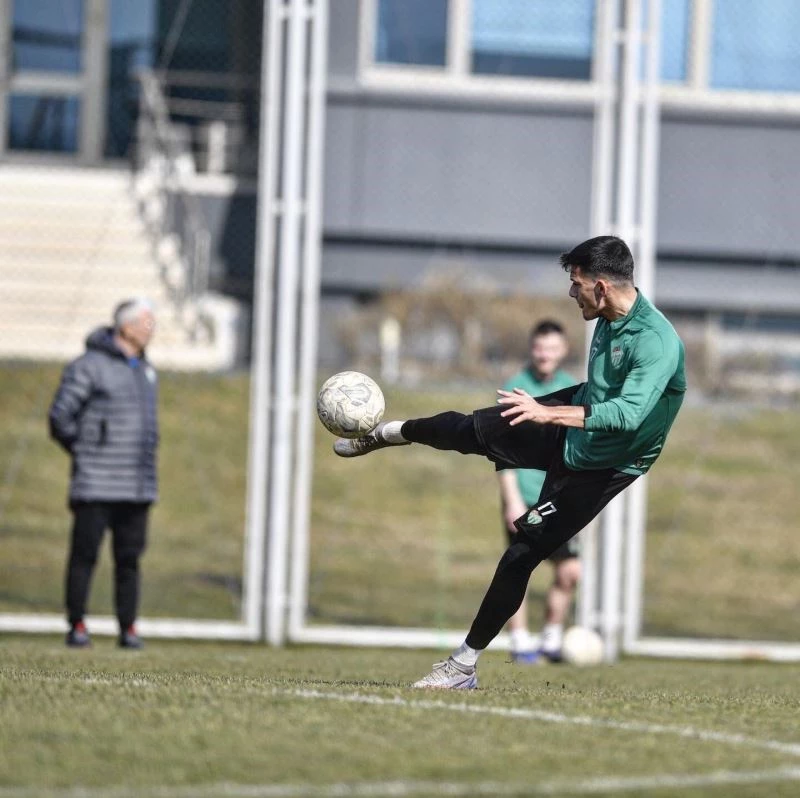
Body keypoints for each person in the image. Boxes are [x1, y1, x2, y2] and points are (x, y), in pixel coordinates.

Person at [334, 236, 686, 689]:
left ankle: (462, 667)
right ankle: (386, 433)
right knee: (467, 430)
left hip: (606, 466)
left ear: (601, 288)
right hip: (574, 417)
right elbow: (602, 394)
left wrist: (544, 412)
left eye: (575, 284)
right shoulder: (606, 314)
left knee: (522, 552)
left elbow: (628, 414)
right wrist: (549, 413)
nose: (569, 292)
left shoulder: (657, 341)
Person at [48, 298, 159, 649]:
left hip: (136, 485)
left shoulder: (145, 368)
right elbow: (60, 416)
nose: (150, 328)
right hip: (96, 482)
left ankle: (128, 628)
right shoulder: (88, 366)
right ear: (124, 326)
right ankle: (77, 624)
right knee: (84, 556)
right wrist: (85, 451)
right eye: (144, 321)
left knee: (129, 560)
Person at [497, 320, 578, 664]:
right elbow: (502, 451)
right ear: (532, 349)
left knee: (570, 571)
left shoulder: (573, 389)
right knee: (520, 569)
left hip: (558, 499)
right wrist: (511, 498)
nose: (545, 354)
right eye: (539, 347)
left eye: (552, 348)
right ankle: (519, 643)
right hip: (525, 498)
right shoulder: (515, 388)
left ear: (563, 351)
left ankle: (550, 639)